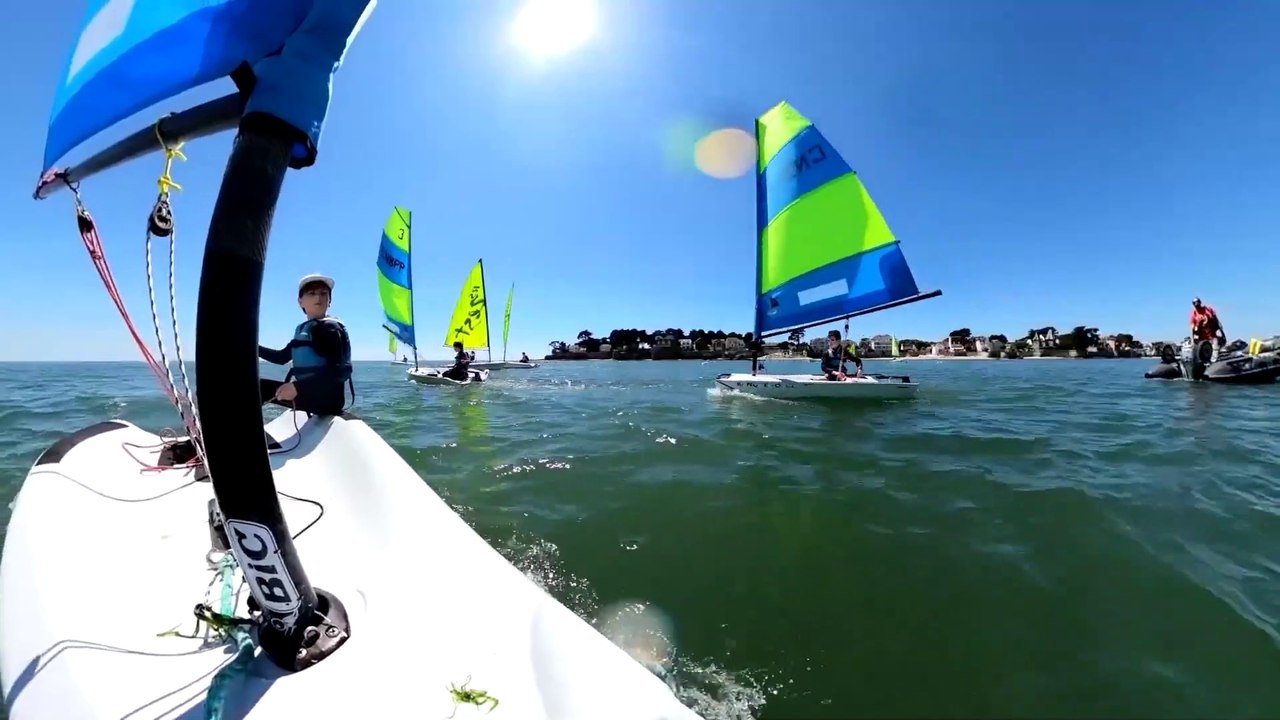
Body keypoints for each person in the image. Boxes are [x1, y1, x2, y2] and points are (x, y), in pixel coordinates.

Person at [258, 274, 353, 415]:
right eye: (312, 293)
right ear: (300, 302)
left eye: (323, 293)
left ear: (329, 301)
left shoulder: (330, 329)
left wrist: (297, 387)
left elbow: (336, 371)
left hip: (327, 400)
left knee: (257, 388)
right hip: (310, 394)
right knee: (258, 386)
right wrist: (254, 349)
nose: (318, 297)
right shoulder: (306, 329)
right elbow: (281, 357)